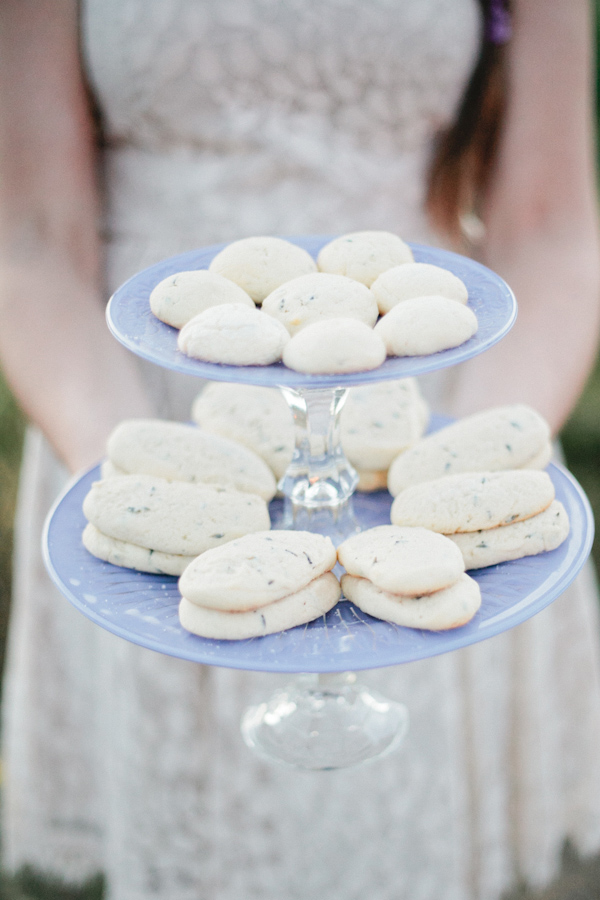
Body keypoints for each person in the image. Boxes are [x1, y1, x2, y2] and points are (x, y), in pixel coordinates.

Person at [0, 1, 599, 898]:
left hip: (426, 411)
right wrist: (151, 497)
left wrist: (460, 487)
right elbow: (33, 234)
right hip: (144, 406)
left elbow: (550, 221)